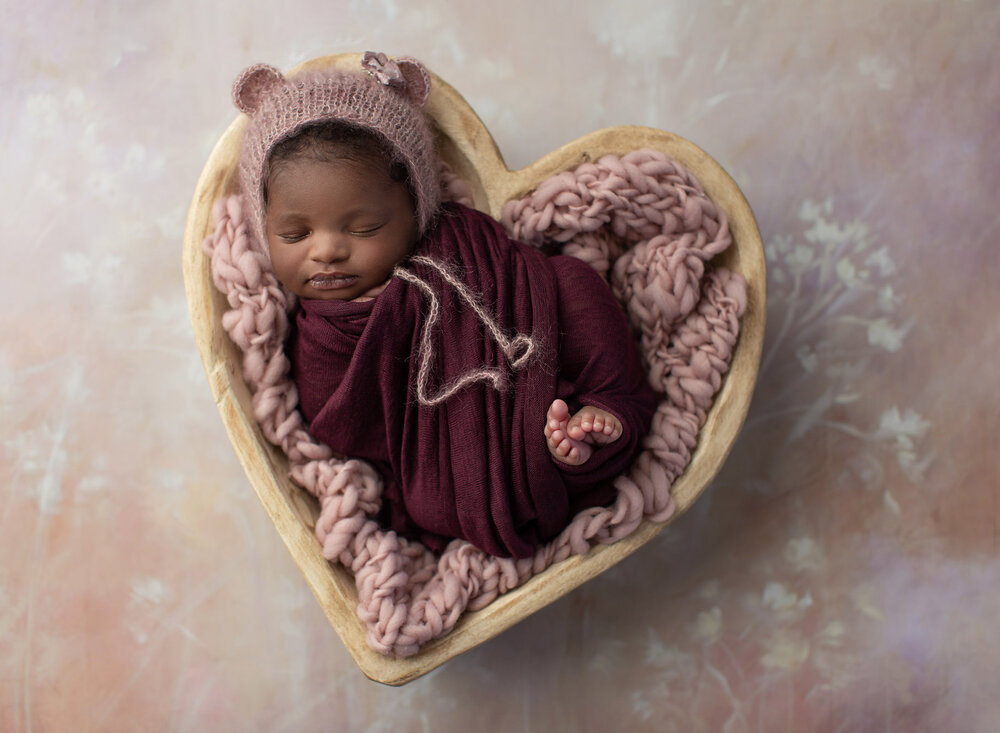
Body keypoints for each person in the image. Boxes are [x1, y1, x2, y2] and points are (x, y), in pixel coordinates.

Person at [233, 53, 658, 558]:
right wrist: (362, 325)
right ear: (266, 232)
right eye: (294, 233)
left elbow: (522, 279)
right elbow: (340, 425)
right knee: (432, 496)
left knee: (572, 283)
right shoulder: (321, 330)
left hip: (542, 366)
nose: (326, 250)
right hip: (452, 468)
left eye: (364, 228)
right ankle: (563, 450)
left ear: (416, 210)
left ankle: (605, 409)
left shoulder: (459, 243)